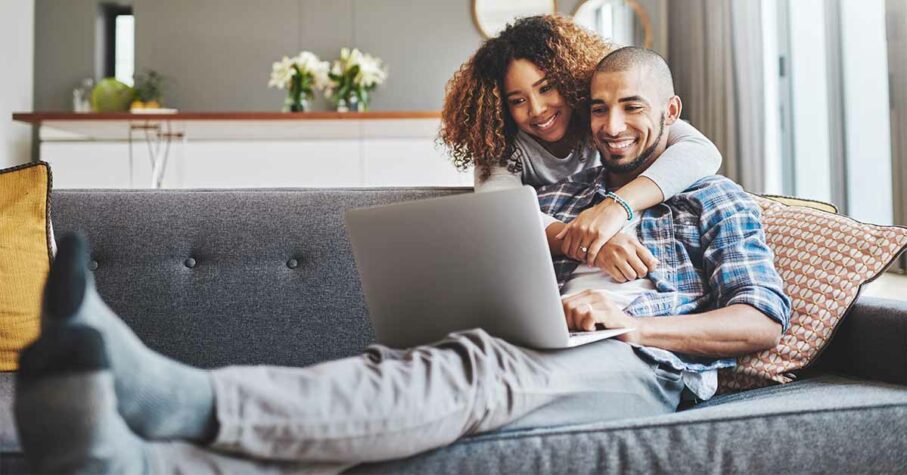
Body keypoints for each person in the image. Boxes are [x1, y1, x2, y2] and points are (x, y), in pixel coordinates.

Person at [15, 47, 790, 474]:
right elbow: (501, 247)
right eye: (599, 106)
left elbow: (760, 322)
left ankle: (183, 394)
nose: (612, 123)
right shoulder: (556, 190)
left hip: (640, 366)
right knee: (410, 396)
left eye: (631, 107)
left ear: (669, 113)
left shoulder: (708, 195)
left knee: (474, 369)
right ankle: (137, 464)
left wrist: (632, 326)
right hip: (538, 343)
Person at [440, 15, 722, 280]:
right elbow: (500, 213)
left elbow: (702, 151)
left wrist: (617, 206)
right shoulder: (500, 145)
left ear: (570, 80)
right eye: (517, 100)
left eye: (546, 88)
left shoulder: (604, 119)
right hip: (558, 262)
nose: (537, 109)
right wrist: (588, 243)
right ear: (500, 107)